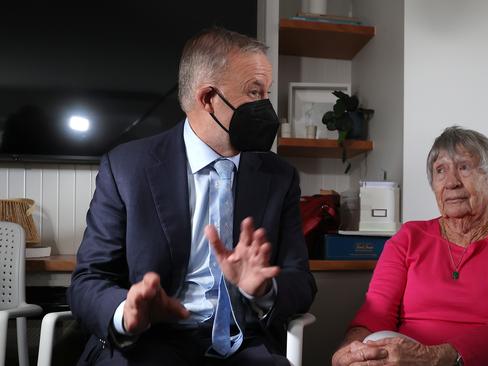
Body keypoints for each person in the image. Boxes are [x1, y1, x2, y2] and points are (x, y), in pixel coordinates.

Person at [67, 26, 316, 366]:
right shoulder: (127, 168)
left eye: (266, 93)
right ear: (207, 98)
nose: (267, 107)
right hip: (150, 341)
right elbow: (88, 281)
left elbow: (300, 281)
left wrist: (262, 290)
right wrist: (127, 312)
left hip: (244, 344)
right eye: (255, 93)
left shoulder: (279, 176)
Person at [332, 126, 488, 366]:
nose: (451, 182)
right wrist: (349, 352)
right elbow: (376, 314)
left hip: (487, 362)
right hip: (405, 363)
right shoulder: (409, 237)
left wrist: (432, 359)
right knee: (373, 346)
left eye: (464, 167)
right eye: (440, 170)